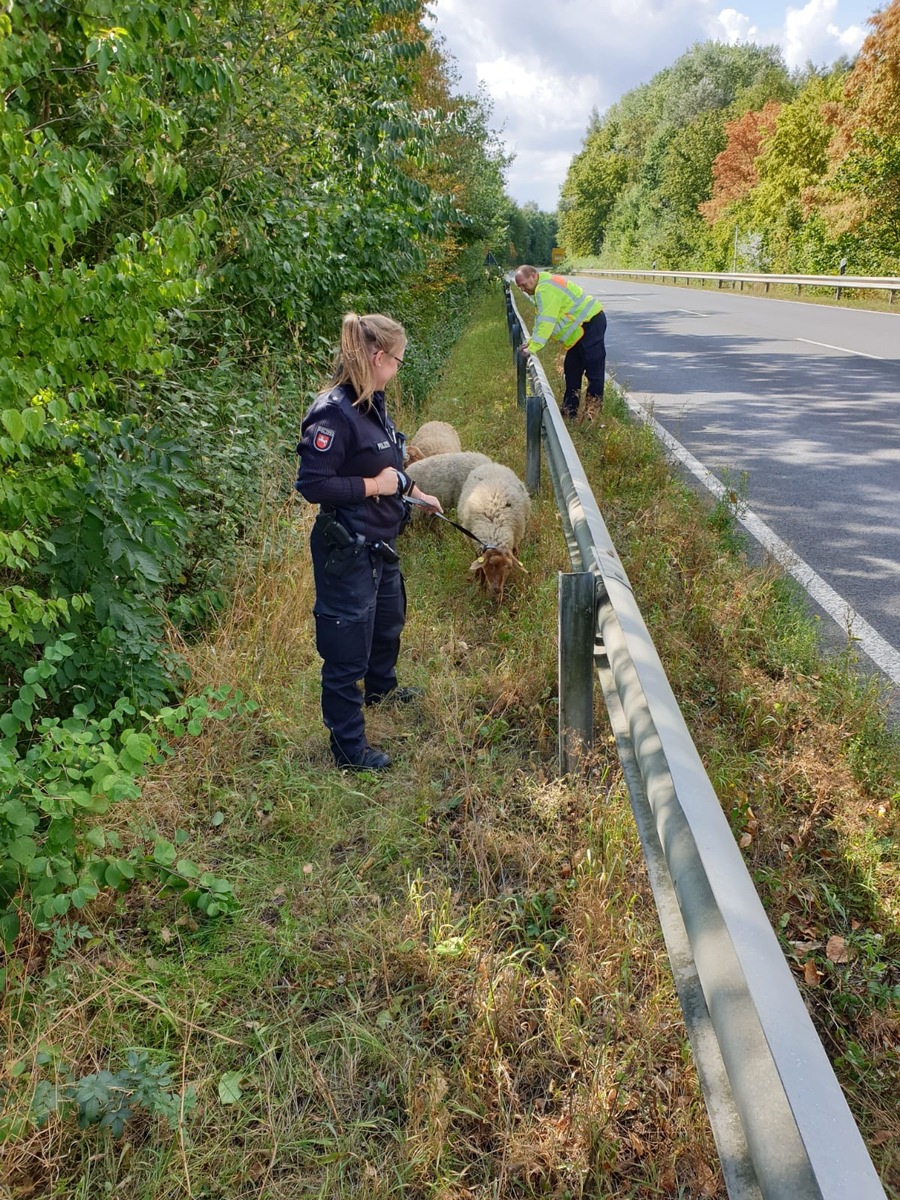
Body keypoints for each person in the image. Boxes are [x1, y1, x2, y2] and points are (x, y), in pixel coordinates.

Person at [295, 313, 442, 772]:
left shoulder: (373, 404)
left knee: (386, 623)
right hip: (348, 549)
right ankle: (348, 749)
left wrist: (414, 491)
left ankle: (383, 687)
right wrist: (375, 488)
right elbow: (313, 484)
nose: (398, 369)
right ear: (378, 357)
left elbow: (388, 465)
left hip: (381, 543)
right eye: (397, 360)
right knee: (346, 650)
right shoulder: (332, 412)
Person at [514, 265, 607, 419]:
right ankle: (569, 412)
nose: (523, 289)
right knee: (571, 368)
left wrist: (533, 347)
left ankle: (592, 416)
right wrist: (531, 343)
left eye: (523, 284)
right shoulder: (543, 285)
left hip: (590, 324)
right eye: (519, 287)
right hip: (581, 330)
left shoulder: (545, 290)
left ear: (533, 275)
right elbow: (541, 320)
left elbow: (546, 322)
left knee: (593, 371)